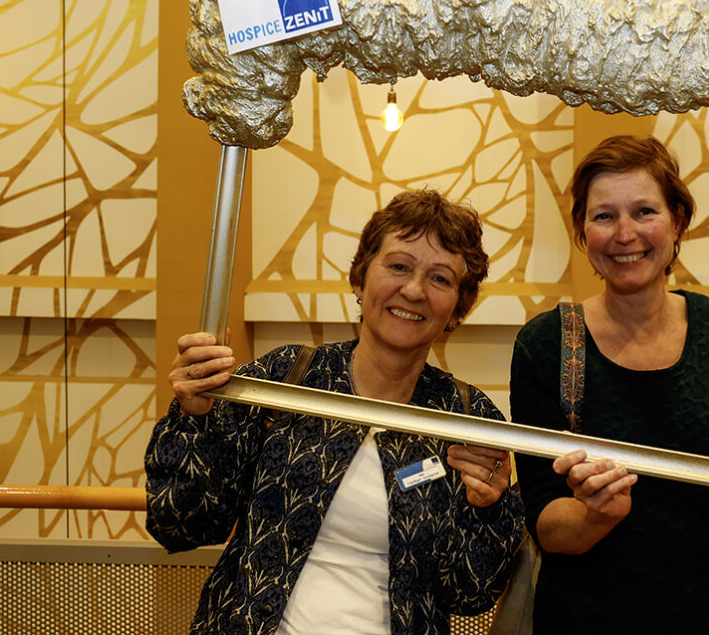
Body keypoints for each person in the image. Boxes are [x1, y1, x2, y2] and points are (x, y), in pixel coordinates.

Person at [146, 189, 524, 635]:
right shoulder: (284, 378)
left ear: (458, 308)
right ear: (360, 280)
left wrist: (489, 508)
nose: (414, 290)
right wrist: (194, 417)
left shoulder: (466, 418)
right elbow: (181, 523)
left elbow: (469, 593)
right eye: (399, 266)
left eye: (440, 278)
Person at [509, 135, 709, 635]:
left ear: (678, 220)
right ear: (582, 230)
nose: (625, 234)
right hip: (587, 619)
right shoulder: (547, 343)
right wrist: (597, 516)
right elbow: (547, 526)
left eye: (645, 211)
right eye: (604, 216)